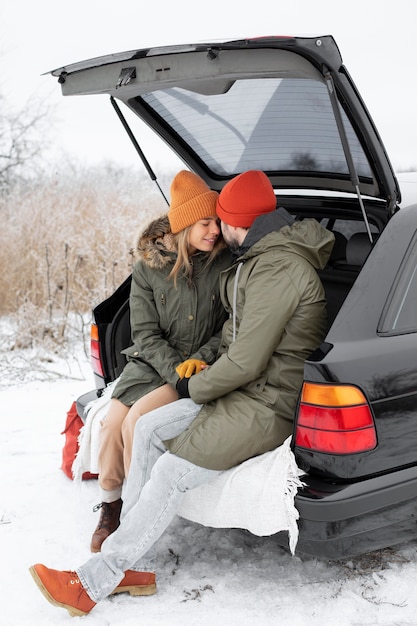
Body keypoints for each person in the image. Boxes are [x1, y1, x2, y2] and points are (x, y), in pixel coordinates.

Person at [29, 170, 335, 617]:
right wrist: (197, 371)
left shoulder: (278, 268)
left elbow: (246, 360)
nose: (217, 228)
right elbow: (231, 341)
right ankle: (124, 560)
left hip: (266, 401)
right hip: (239, 388)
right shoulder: (256, 257)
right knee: (149, 426)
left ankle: (93, 582)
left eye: (222, 218)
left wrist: (190, 384)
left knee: (171, 471)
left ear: (237, 221)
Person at [89, 169, 231, 552]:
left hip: (196, 367)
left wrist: (198, 362)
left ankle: (138, 515)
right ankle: (111, 505)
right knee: (111, 422)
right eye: (206, 222)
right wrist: (174, 370)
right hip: (153, 364)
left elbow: (231, 326)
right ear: (184, 225)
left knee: (137, 422)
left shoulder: (223, 265)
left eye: (217, 221)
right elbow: (146, 334)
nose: (215, 230)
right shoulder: (148, 268)